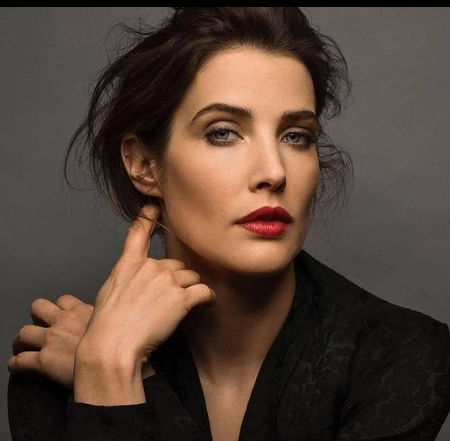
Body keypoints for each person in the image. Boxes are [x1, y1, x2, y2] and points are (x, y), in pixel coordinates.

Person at [7, 7, 450, 441]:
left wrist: (109, 369)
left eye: (296, 136)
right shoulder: (53, 360)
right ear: (143, 164)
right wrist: (109, 359)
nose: (273, 172)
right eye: (223, 132)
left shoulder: (400, 354)